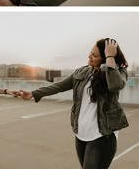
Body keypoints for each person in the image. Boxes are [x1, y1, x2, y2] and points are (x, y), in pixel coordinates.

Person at [17, 38, 129, 168]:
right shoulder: (83, 72)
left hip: (102, 136)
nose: (89, 56)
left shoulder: (118, 72)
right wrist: (33, 94)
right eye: (90, 52)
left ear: (105, 59)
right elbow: (58, 86)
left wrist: (110, 57)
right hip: (81, 133)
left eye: (95, 55)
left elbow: (115, 85)